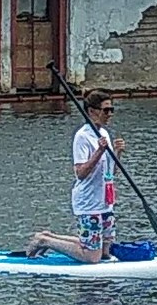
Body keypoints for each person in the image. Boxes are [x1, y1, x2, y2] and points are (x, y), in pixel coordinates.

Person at [24, 94, 123, 262]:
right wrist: (99, 151)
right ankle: (44, 241)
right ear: (92, 111)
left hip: (105, 201)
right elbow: (81, 173)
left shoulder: (104, 133)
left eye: (112, 109)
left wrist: (118, 153)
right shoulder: (82, 137)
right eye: (106, 110)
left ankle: (48, 236)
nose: (110, 114)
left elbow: (110, 173)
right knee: (92, 257)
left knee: (106, 251)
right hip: (89, 202)